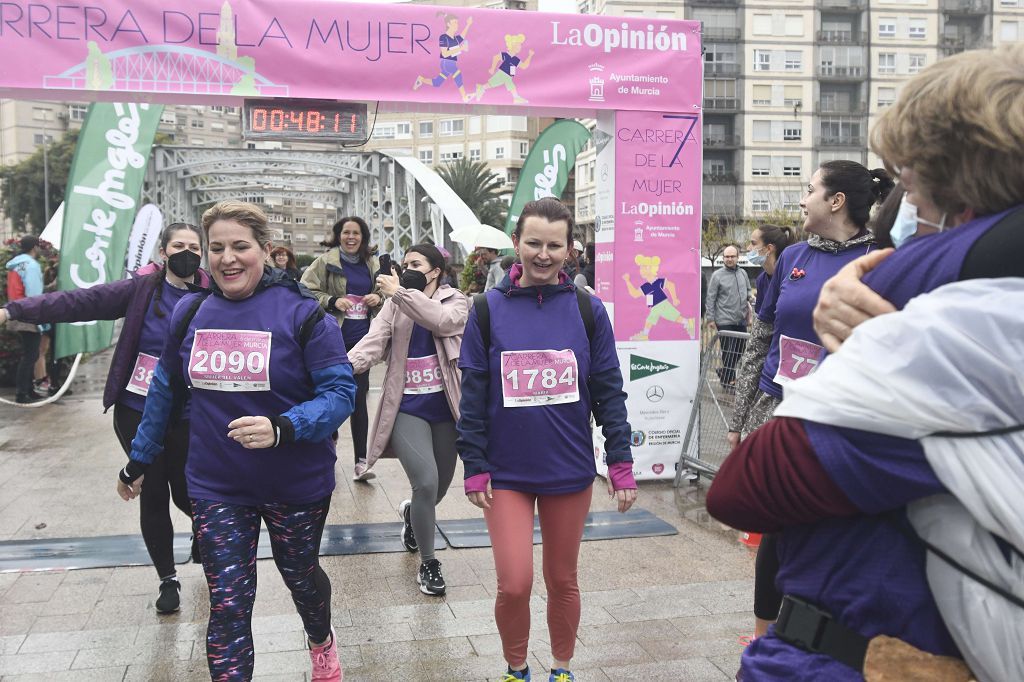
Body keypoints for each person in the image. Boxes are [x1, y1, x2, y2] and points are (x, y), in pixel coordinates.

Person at [710, 45, 1024, 682]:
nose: (898, 203)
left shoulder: (926, 271)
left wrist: (876, 354)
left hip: (856, 646)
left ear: (949, 181)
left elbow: (744, 488)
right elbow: (767, 329)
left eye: (906, 182)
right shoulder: (824, 261)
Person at [119, 201, 357, 681]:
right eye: (218, 248)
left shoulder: (304, 313)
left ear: (265, 252)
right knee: (227, 604)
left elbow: (340, 393)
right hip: (217, 484)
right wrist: (139, 459)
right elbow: (164, 388)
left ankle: (320, 640)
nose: (228, 258)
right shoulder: (191, 312)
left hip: (295, 482)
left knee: (301, 579)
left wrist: (282, 427)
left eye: (240, 246)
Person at [457, 197, 638, 682]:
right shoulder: (486, 309)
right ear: (516, 243)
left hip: (569, 469)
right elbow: (472, 394)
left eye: (554, 245)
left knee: (562, 580)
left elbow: (608, 390)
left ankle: (561, 667)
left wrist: (619, 460)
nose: (543, 254)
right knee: (514, 583)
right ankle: (517, 668)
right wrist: (473, 462)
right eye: (533, 243)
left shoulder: (587, 309)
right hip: (506, 472)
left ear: (569, 250)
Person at [2, 223, 209, 611]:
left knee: (188, 489)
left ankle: (202, 527)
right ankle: (168, 578)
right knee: (154, 490)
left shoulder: (213, 291)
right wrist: (13, 309)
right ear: (163, 252)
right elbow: (79, 302)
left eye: (194, 246)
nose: (187, 252)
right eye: (178, 245)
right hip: (137, 408)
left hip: (189, 411)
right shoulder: (141, 289)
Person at [728, 161, 892, 642]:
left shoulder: (883, 258)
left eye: (810, 189)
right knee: (774, 532)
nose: (802, 199)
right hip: (776, 410)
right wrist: (739, 419)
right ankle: (763, 640)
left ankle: (822, 638)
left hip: (842, 419)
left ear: (836, 201)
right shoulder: (793, 256)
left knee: (828, 531)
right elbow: (760, 341)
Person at [347, 244, 469, 596]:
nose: (408, 268)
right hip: (406, 409)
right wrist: (339, 369)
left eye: (416, 264)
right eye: (405, 264)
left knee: (439, 488)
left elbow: (441, 321)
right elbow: (373, 343)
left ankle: (411, 517)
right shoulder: (393, 306)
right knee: (426, 482)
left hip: (446, 410)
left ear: (435, 271)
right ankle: (429, 564)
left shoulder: (456, 301)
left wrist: (400, 292)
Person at [301, 217, 383, 481]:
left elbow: (387, 293)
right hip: (331, 341)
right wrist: (333, 300)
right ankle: (329, 448)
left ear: (363, 237)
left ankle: (362, 461)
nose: (351, 237)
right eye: (346, 232)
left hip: (363, 343)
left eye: (356, 233)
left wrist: (377, 297)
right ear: (338, 236)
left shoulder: (373, 263)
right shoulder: (325, 262)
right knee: (330, 397)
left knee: (359, 400)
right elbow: (305, 290)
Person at [4, 236, 45, 403]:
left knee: (30, 353)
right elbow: (34, 295)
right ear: (34, 247)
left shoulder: (16, 264)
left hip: (16, 311)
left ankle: (28, 390)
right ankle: (22, 393)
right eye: (39, 246)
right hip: (28, 314)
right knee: (31, 355)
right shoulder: (32, 265)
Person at [704, 244, 750, 386]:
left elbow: (748, 291)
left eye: (732, 256)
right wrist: (710, 318)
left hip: (740, 319)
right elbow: (710, 298)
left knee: (740, 349)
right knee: (729, 350)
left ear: (738, 257)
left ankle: (724, 372)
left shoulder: (743, 273)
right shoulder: (717, 276)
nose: (729, 259)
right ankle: (729, 380)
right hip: (724, 319)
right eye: (727, 257)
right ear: (723, 258)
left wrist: (751, 297)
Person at [413, 12, 474, 102]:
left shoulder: (455, 38)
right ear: (448, 24)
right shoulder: (443, 37)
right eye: (454, 23)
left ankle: (421, 79)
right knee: (457, 74)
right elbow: (445, 53)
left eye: (457, 22)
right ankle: (464, 96)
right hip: (446, 62)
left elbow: (462, 36)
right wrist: (460, 48)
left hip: (450, 62)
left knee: (437, 82)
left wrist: (468, 25)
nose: (457, 25)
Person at [747, 224, 797, 317]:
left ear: (769, 248)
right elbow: (761, 317)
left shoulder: (791, 277)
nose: (748, 248)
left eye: (753, 243)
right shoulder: (761, 280)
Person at [472, 33, 535, 104]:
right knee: (509, 82)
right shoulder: (506, 55)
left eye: (520, 46)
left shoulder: (516, 59)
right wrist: (492, 68)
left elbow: (524, 66)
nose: (519, 47)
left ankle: (481, 88)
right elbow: (496, 58)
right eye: (517, 45)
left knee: (491, 84)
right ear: (512, 45)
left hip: (508, 75)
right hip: (503, 73)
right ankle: (516, 97)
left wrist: (530, 56)